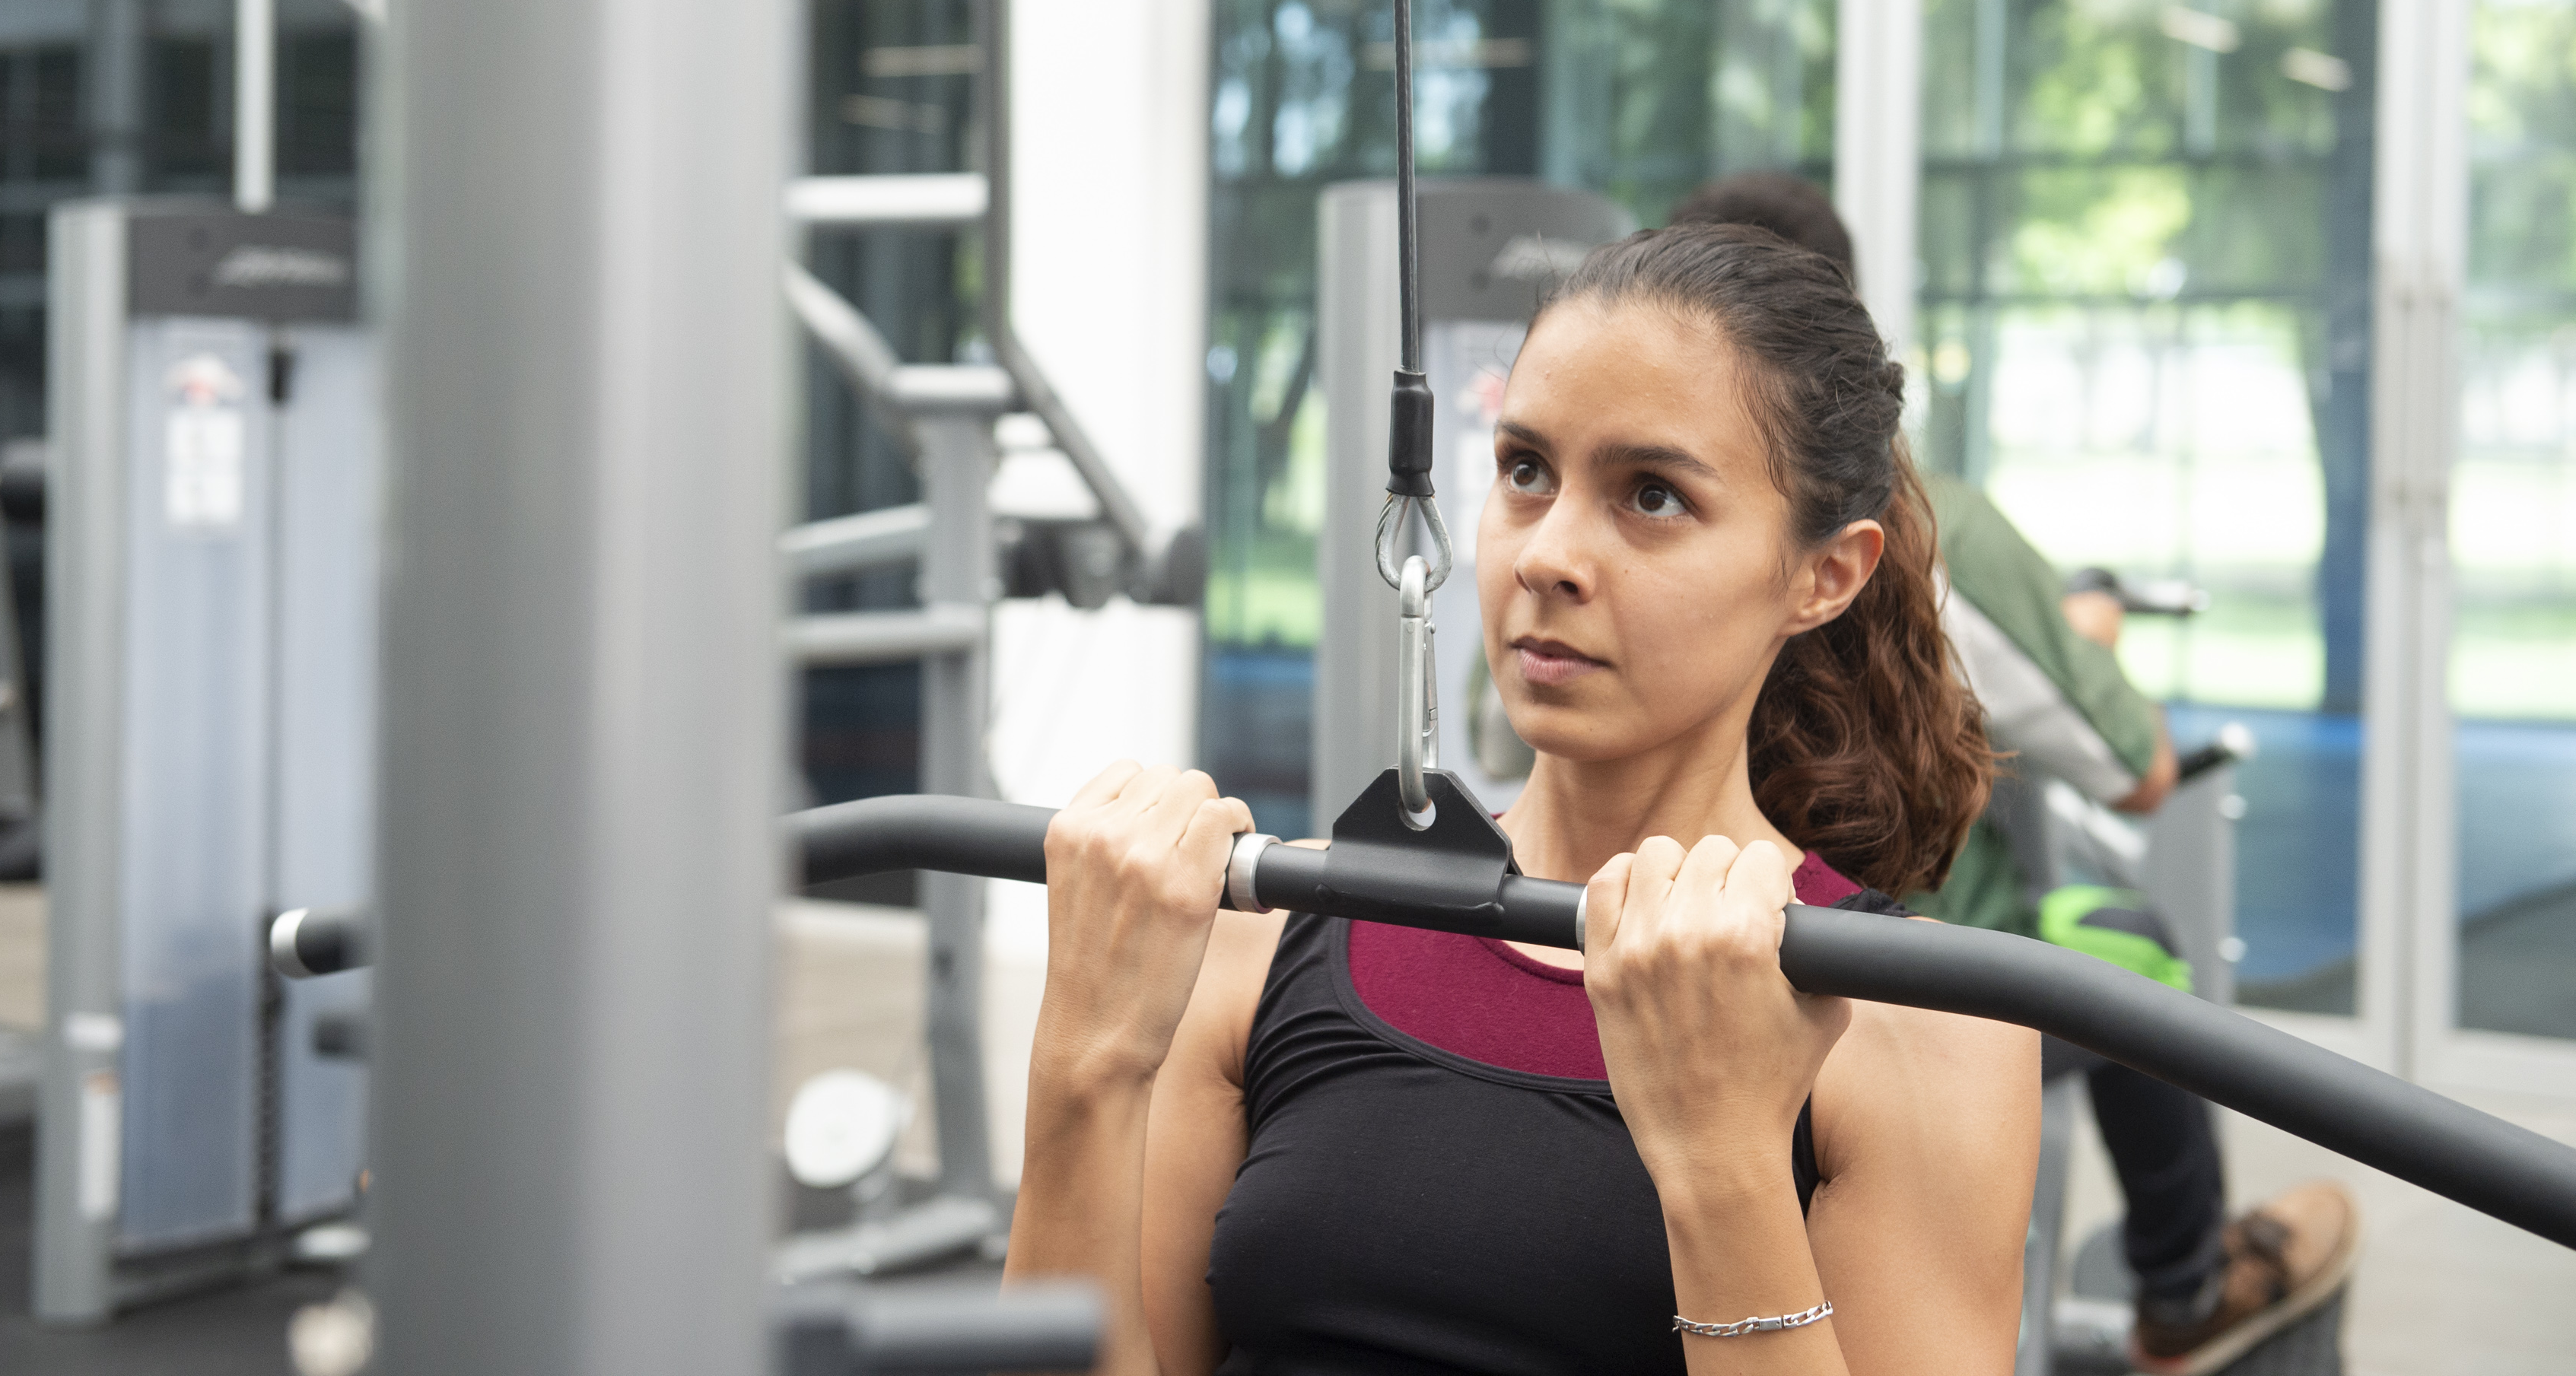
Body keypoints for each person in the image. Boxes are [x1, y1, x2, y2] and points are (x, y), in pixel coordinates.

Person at [1006, 223, 2040, 1371]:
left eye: (1652, 495)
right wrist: (1084, 1060)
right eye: (1526, 470)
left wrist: (1724, 1164)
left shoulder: (1923, 1029)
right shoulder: (1265, 950)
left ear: (1824, 573)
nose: (1547, 553)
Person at [1668, 172, 2359, 1376]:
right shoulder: (1928, 529)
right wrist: (2074, 642)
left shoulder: (1583, 546)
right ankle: (2183, 1290)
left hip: (1660, 924)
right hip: (1878, 968)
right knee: (2131, 942)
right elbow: (2139, 767)